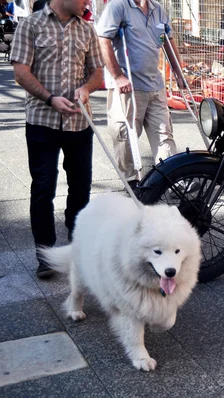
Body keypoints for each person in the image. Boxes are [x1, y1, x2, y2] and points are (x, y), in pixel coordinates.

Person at [10, 0, 104, 279]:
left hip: (79, 123)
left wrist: (86, 89)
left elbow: (97, 72)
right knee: (43, 188)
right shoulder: (31, 25)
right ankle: (46, 256)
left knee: (81, 189)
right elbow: (21, 72)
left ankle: (78, 249)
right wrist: (50, 99)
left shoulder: (87, 30)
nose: (89, 2)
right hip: (42, 121)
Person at [96, 0, 181, 190]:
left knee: (164, 132)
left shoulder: (157, 9)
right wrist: (117, 76)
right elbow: (103, 39)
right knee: (125, 134)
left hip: (155, 84)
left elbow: (168, 39)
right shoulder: (118, 7)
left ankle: (172, 177)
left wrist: (178, 72)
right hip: (128, 86)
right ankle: (131, 179)